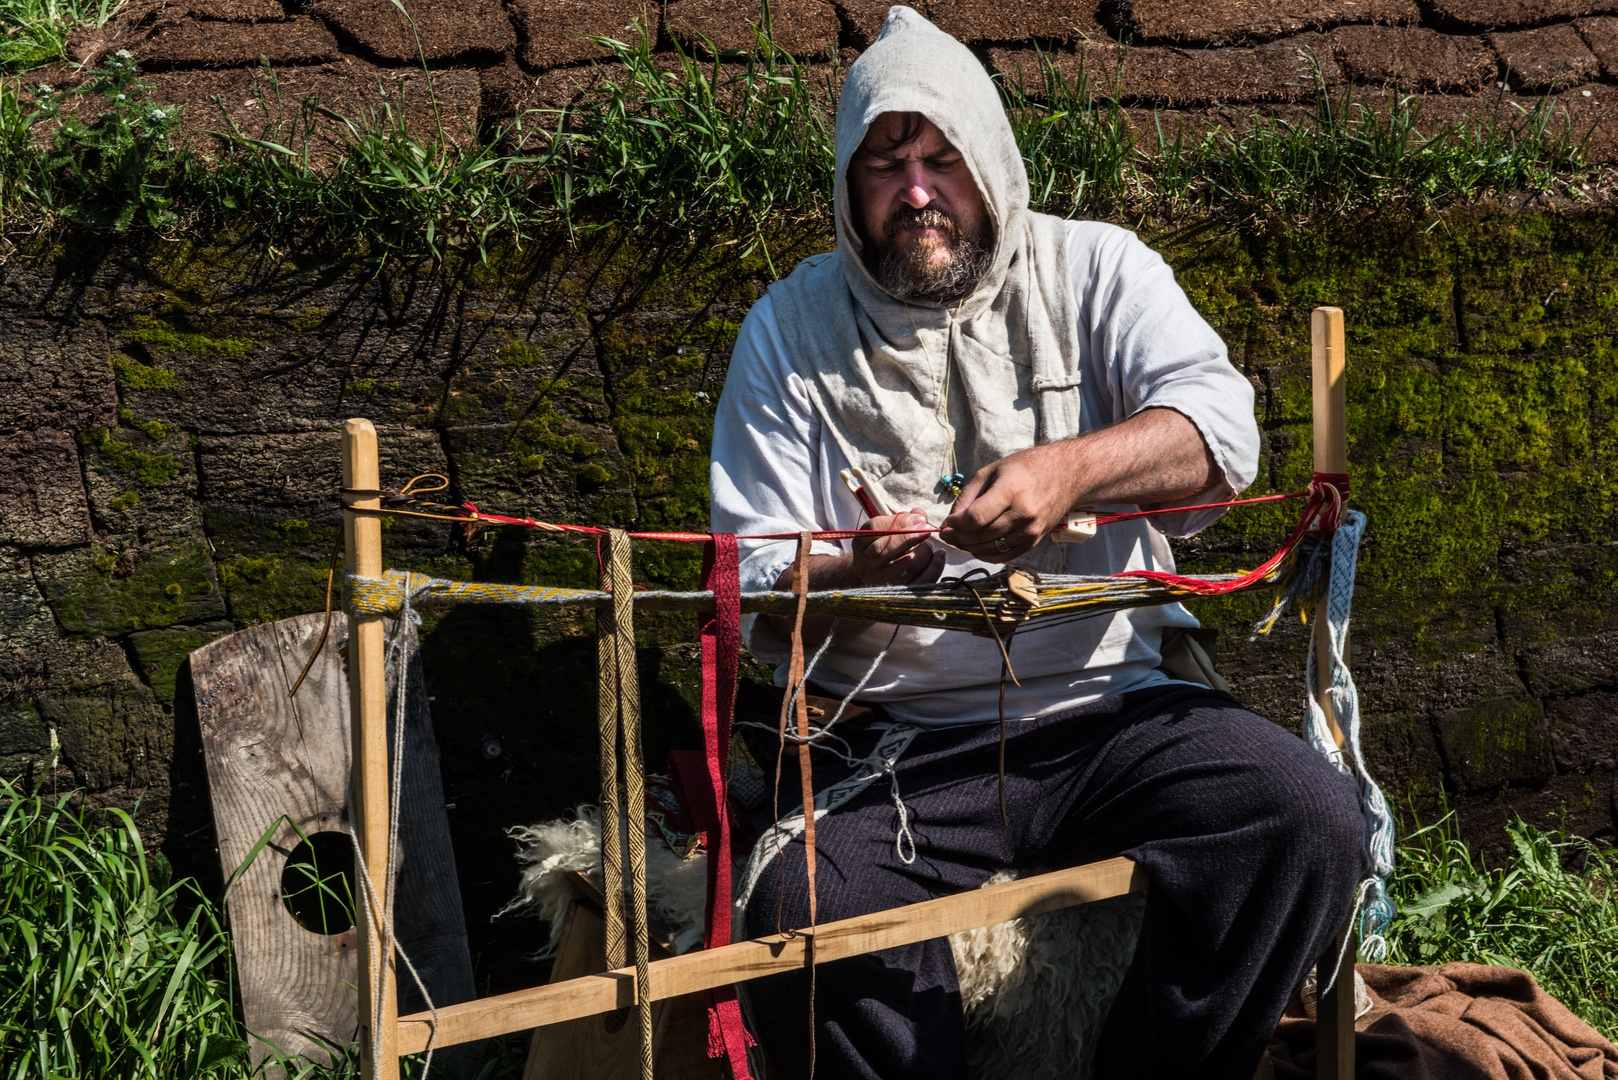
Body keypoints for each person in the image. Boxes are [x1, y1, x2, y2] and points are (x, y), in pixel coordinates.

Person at [708, 8, 1366, 1079]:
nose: (916, 191)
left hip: (1113, 710)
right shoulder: (787, 331)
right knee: (804, 908)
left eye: (940, 158)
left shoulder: (1094, 269)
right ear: (847, 183)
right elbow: (752, 580)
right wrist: (859, 573)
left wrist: (1068, 471)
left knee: (1301, 815)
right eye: (884, 164)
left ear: (990, 160)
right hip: (899, 747)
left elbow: (1218, 433)